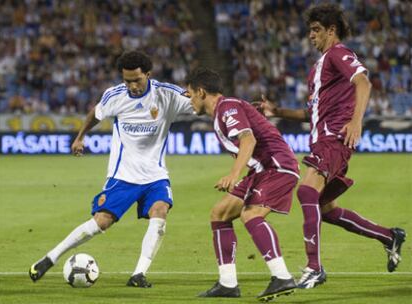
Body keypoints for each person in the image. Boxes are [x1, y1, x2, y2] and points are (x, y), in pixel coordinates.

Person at [255, 3, 406, 289]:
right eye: (309, 30)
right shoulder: (318, 68)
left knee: (307, 190)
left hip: (334, 138)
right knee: (325, 209)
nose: (310, 36)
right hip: (322, 139)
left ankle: (314, 268)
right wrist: (276, 111)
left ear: (331, 31)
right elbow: (309, 113)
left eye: (316, 30)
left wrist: (356, 121)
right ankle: (389, 236)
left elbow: (364, 83)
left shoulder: (339, 53)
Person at [29, 50, 193, 287]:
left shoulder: (167, 94)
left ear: (148, 74)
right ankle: (49, 258)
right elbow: (95, 115)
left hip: (155, 176)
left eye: (137, 80)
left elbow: (205, 103)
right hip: (122, 176)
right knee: (101, 222)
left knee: (160, 212)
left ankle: (139, 274)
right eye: (127, 80)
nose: (132, 85)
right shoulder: (114, 96)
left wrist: (242, 110)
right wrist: (80, 137)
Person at [185, 67, 300, 301]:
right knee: (220, 214)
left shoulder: (226, 107)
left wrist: (234, 174)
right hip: (261, 170)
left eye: (190, 94)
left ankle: (282, 276)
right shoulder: (226, 109)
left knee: (251, 215)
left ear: (201, 91)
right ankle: (228, 283)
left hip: (276, 166)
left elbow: (248, 139)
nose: (189, 99)